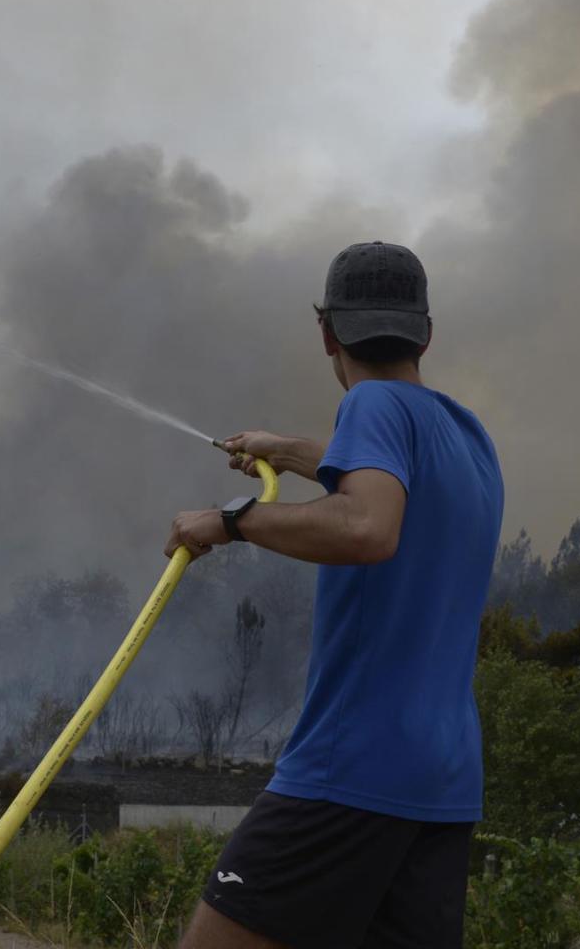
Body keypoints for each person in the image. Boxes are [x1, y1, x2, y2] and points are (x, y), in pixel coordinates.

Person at [165, 241, 504, 948]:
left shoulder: (370, 404)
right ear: (426, 335)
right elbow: (385, 479)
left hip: (350, 765)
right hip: (440, 783)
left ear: (327, 333)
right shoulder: (467, 437)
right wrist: (286, 450)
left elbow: (367, 525)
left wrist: (230, 522)